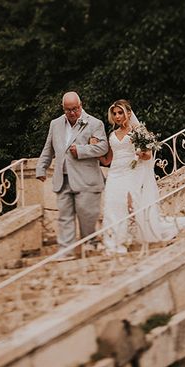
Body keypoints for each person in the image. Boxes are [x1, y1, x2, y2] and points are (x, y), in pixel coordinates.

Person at [100, 99, 185, 254]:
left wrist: (138, 153)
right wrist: (92, 154)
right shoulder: (112, 134)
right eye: (114, 113)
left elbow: (148, 155)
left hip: (131, 171)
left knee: (128, 203)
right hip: (115, 172)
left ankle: (127, 237)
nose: (117, 116)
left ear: (128, 113)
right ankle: (113, 239)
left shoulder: (139, 131)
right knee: (111, 201)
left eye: (120, 112)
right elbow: (108, 159)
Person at [36, 92, 109, 258]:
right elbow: (48, 149)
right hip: (62, 178)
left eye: (75, 108)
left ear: (81, 105)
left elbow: (103, 147)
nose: (72, 113)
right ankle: (65, 251)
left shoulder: (94, 123)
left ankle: (90, 244)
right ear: (63, 109)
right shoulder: (55, 124)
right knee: (64, 216)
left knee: (87, 215)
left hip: (86, 179)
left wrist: (82, 150)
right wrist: (41, 168)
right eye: (68, 110)